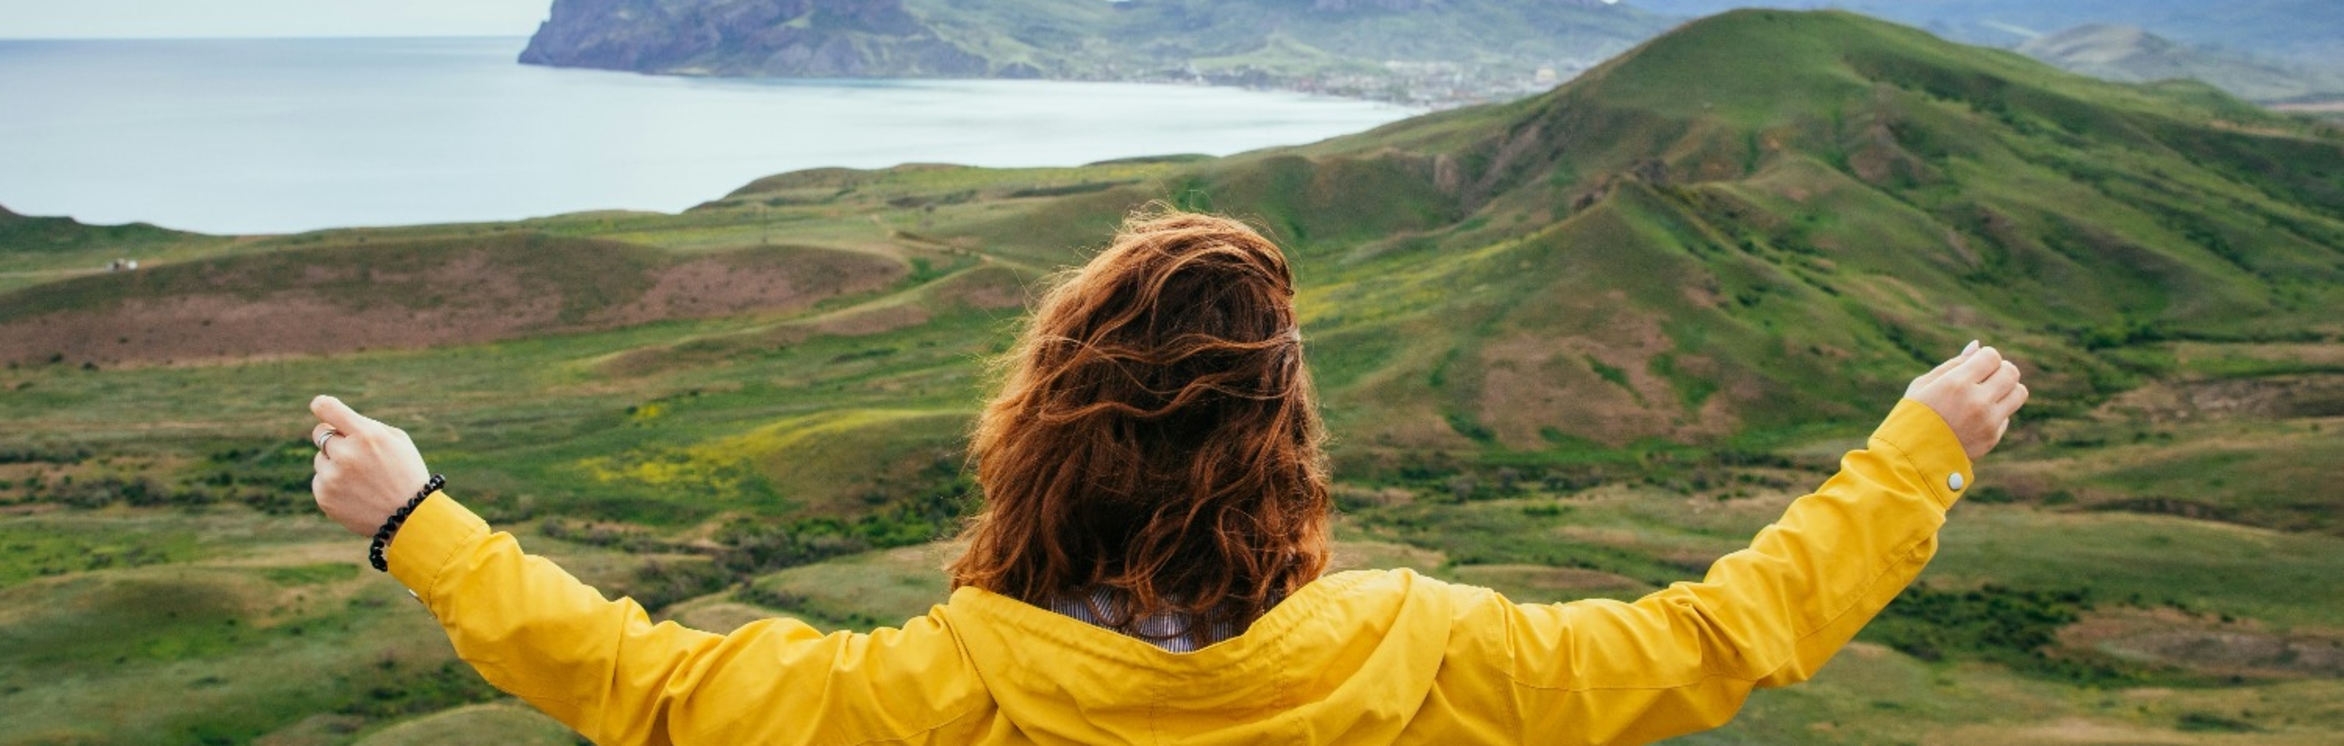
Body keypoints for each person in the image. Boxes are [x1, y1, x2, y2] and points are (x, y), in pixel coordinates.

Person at [308, 210, 2028, 745]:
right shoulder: (1429, 658)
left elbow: (644, 682)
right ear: (1283, 459)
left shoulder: (937, 690)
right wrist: (1913, 458)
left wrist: (413, 516)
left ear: (1042, 446)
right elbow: (1724, 635)